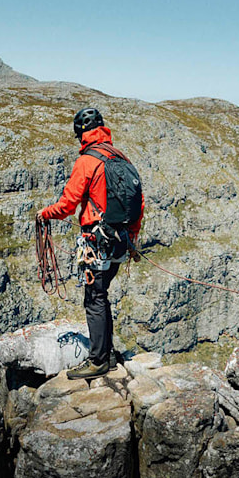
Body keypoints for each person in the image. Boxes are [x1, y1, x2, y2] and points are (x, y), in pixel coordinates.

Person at [37, 108, 144, 379]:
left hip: (97, 241)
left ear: (80, 134)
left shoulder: (87, 161)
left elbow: (68, 203)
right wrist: (133, 237)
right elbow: (138, 204)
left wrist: (45, 213)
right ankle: (106, 353)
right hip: (121, 242)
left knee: (94, 298)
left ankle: (98, 361)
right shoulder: (121, 158)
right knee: (102, 294)